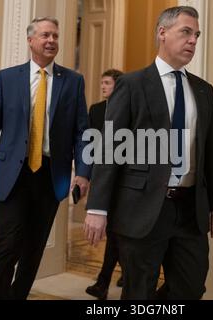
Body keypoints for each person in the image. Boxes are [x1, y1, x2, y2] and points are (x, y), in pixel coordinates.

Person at [84, 6, 213, 300]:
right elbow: (110, 149)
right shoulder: (131, 84)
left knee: (191, 287)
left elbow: (211, 154)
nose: (193, 41)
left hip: (190, 210)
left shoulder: (203, 90)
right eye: (186, 32)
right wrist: (97, 208)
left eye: (196, 35)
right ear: (162, 33)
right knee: (138, 292)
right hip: (141, 209)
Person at [0, 17, 90, 300]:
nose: (52, 41)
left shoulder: (72, 81)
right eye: (46, 35)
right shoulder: (7, 78)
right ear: (31, 40)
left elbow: (82, 132)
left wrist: (82, 172)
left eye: (56, 36)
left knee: (34, 249)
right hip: (13, 174)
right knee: (8, 245)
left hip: (50, 174)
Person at [85, 69, 124, 300]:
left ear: (117, 86)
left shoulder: (131, 107)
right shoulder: (96, 110)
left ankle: (103, 282)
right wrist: (87, 176)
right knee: (116, 231)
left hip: (124, 180)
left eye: (107, 83)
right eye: (102, 83)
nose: (103, 87)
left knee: (117, 231)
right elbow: (90, 144)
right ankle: (109, 280)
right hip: (102, 176)